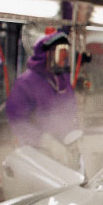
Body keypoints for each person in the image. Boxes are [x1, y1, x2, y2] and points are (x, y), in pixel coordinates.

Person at [6, 31, 83, 170]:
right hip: (35, 154)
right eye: (61, 52)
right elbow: (17, 120)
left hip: (63, 152)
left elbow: (70, 112)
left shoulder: (63, 81)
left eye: (66, 52)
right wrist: (45, 141)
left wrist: (73, 137)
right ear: (46, 54)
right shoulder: (26, 83)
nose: (64, 57)